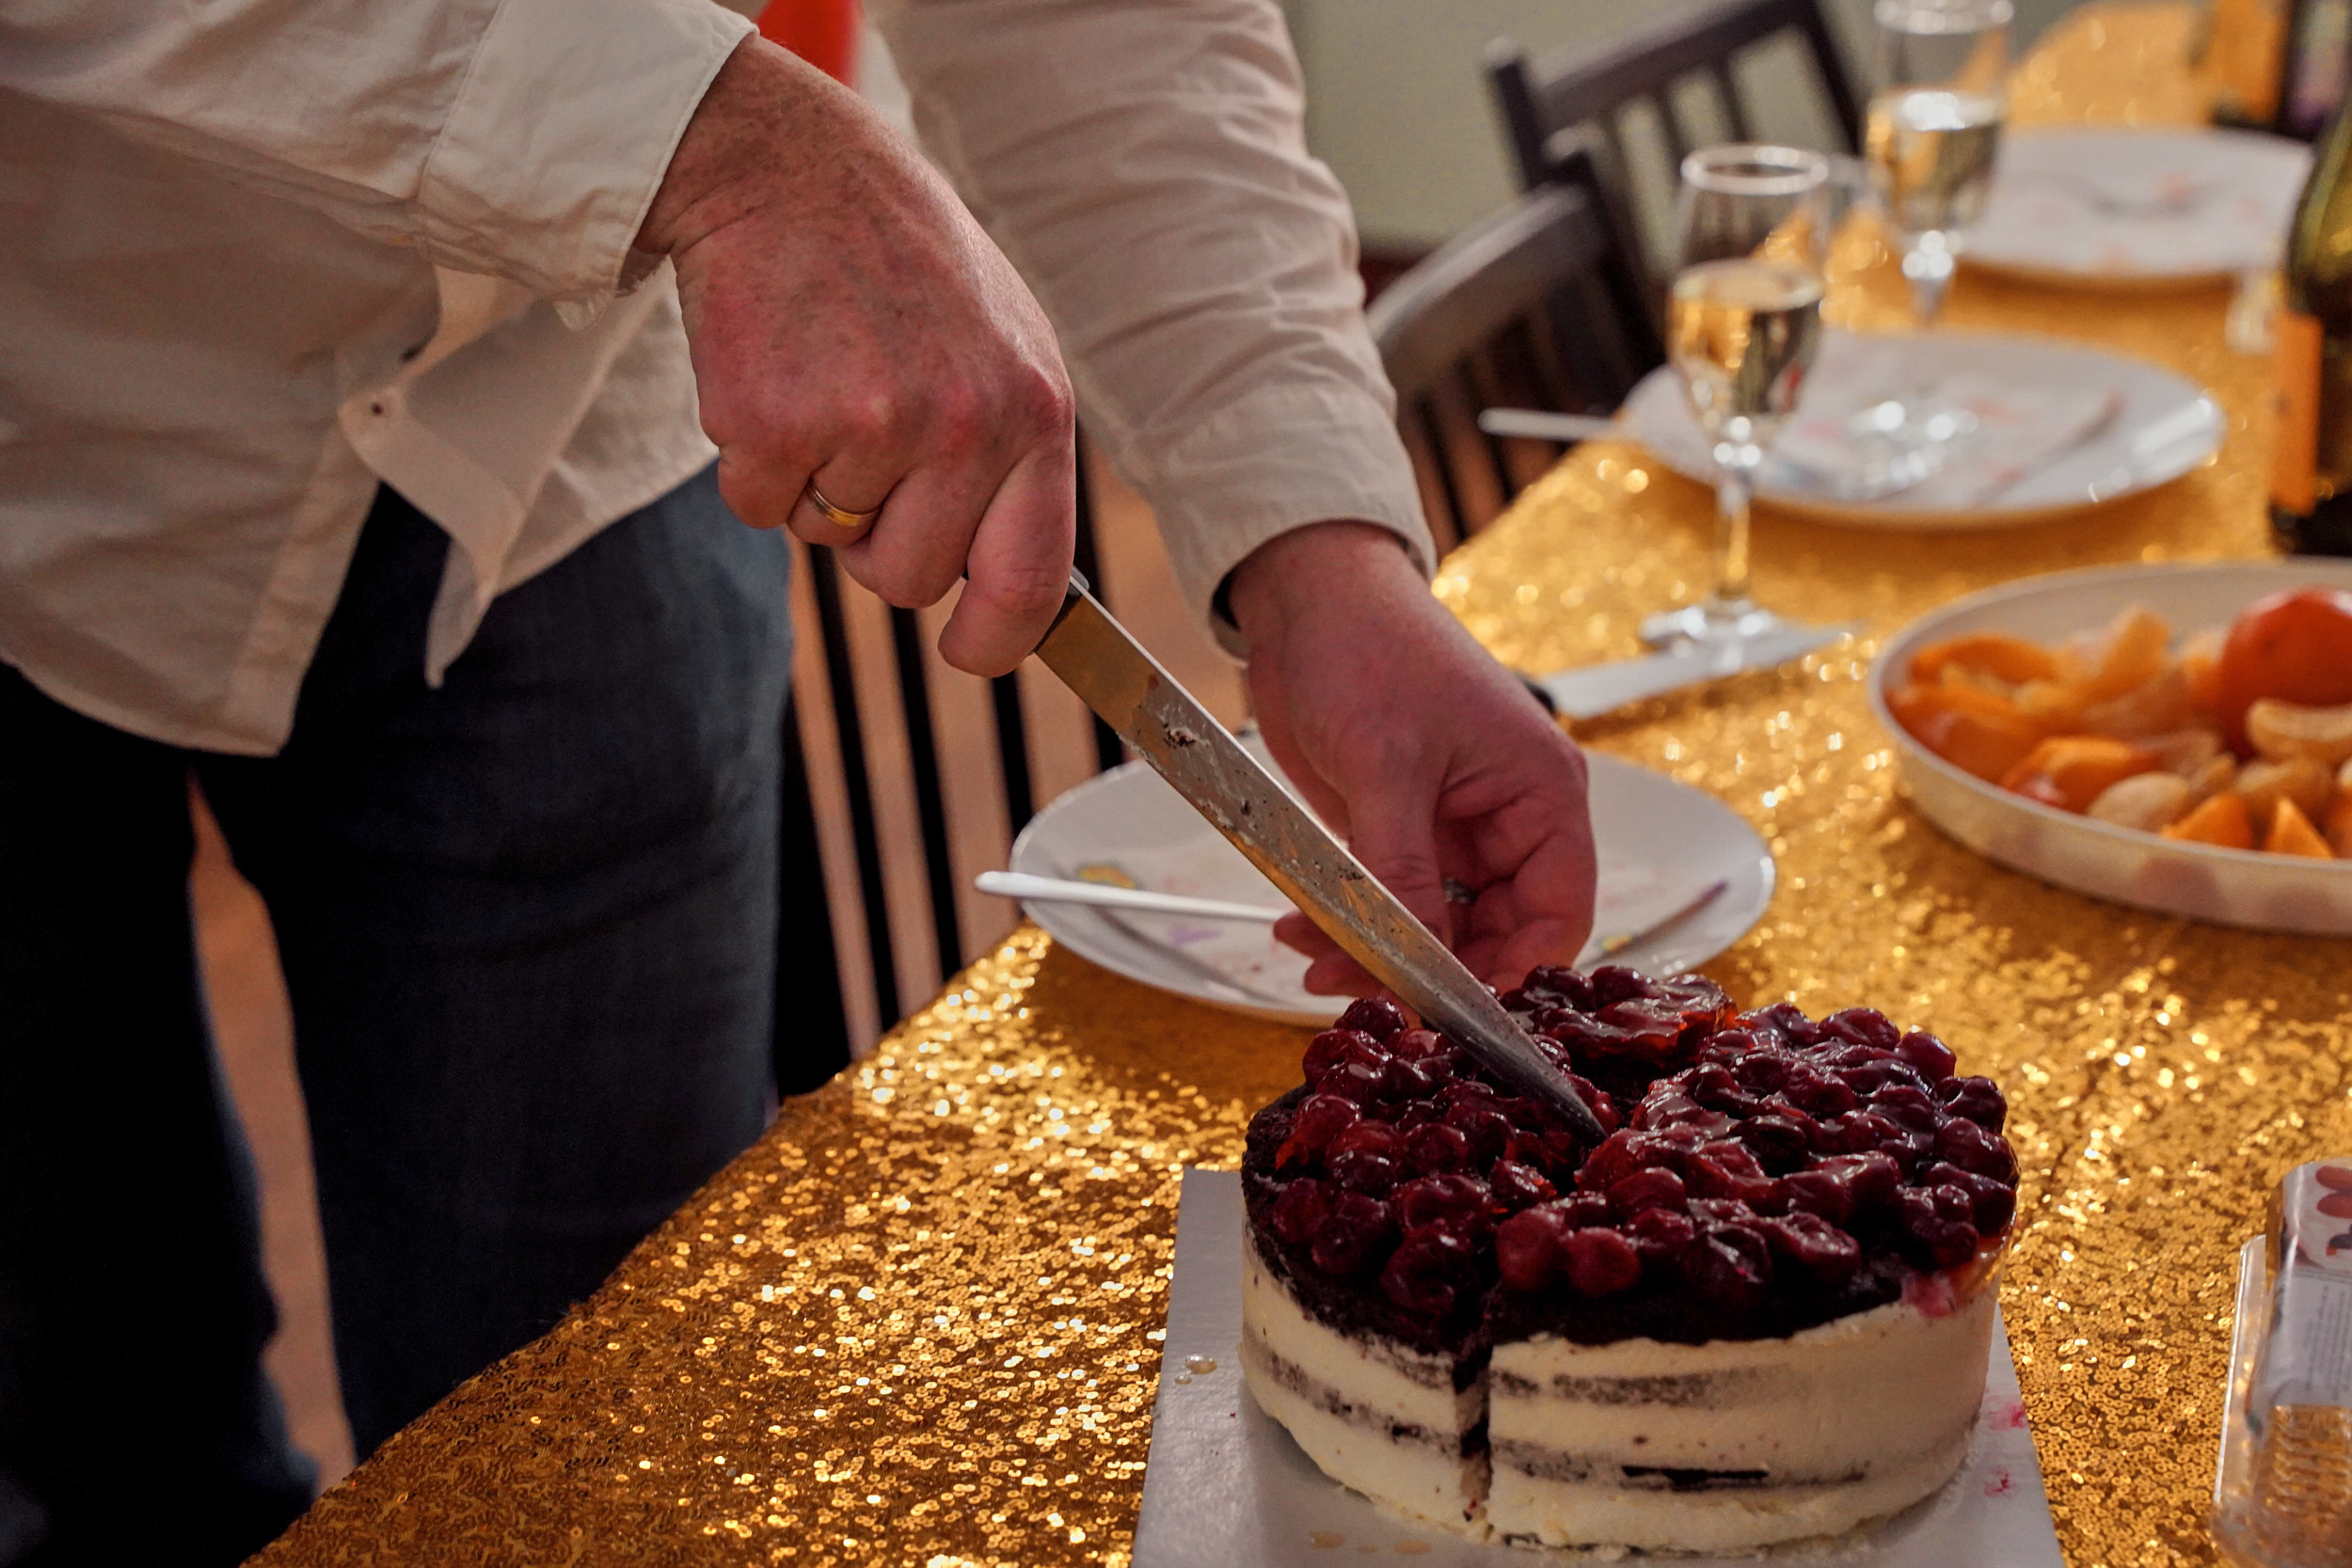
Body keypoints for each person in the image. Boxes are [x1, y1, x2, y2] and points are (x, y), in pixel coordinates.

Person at [0, 1, 1597, 1562]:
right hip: (36, 406)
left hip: (564, 447)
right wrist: (709, 136)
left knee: (607, 1453)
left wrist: (1319, 553)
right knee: (88, 1423)